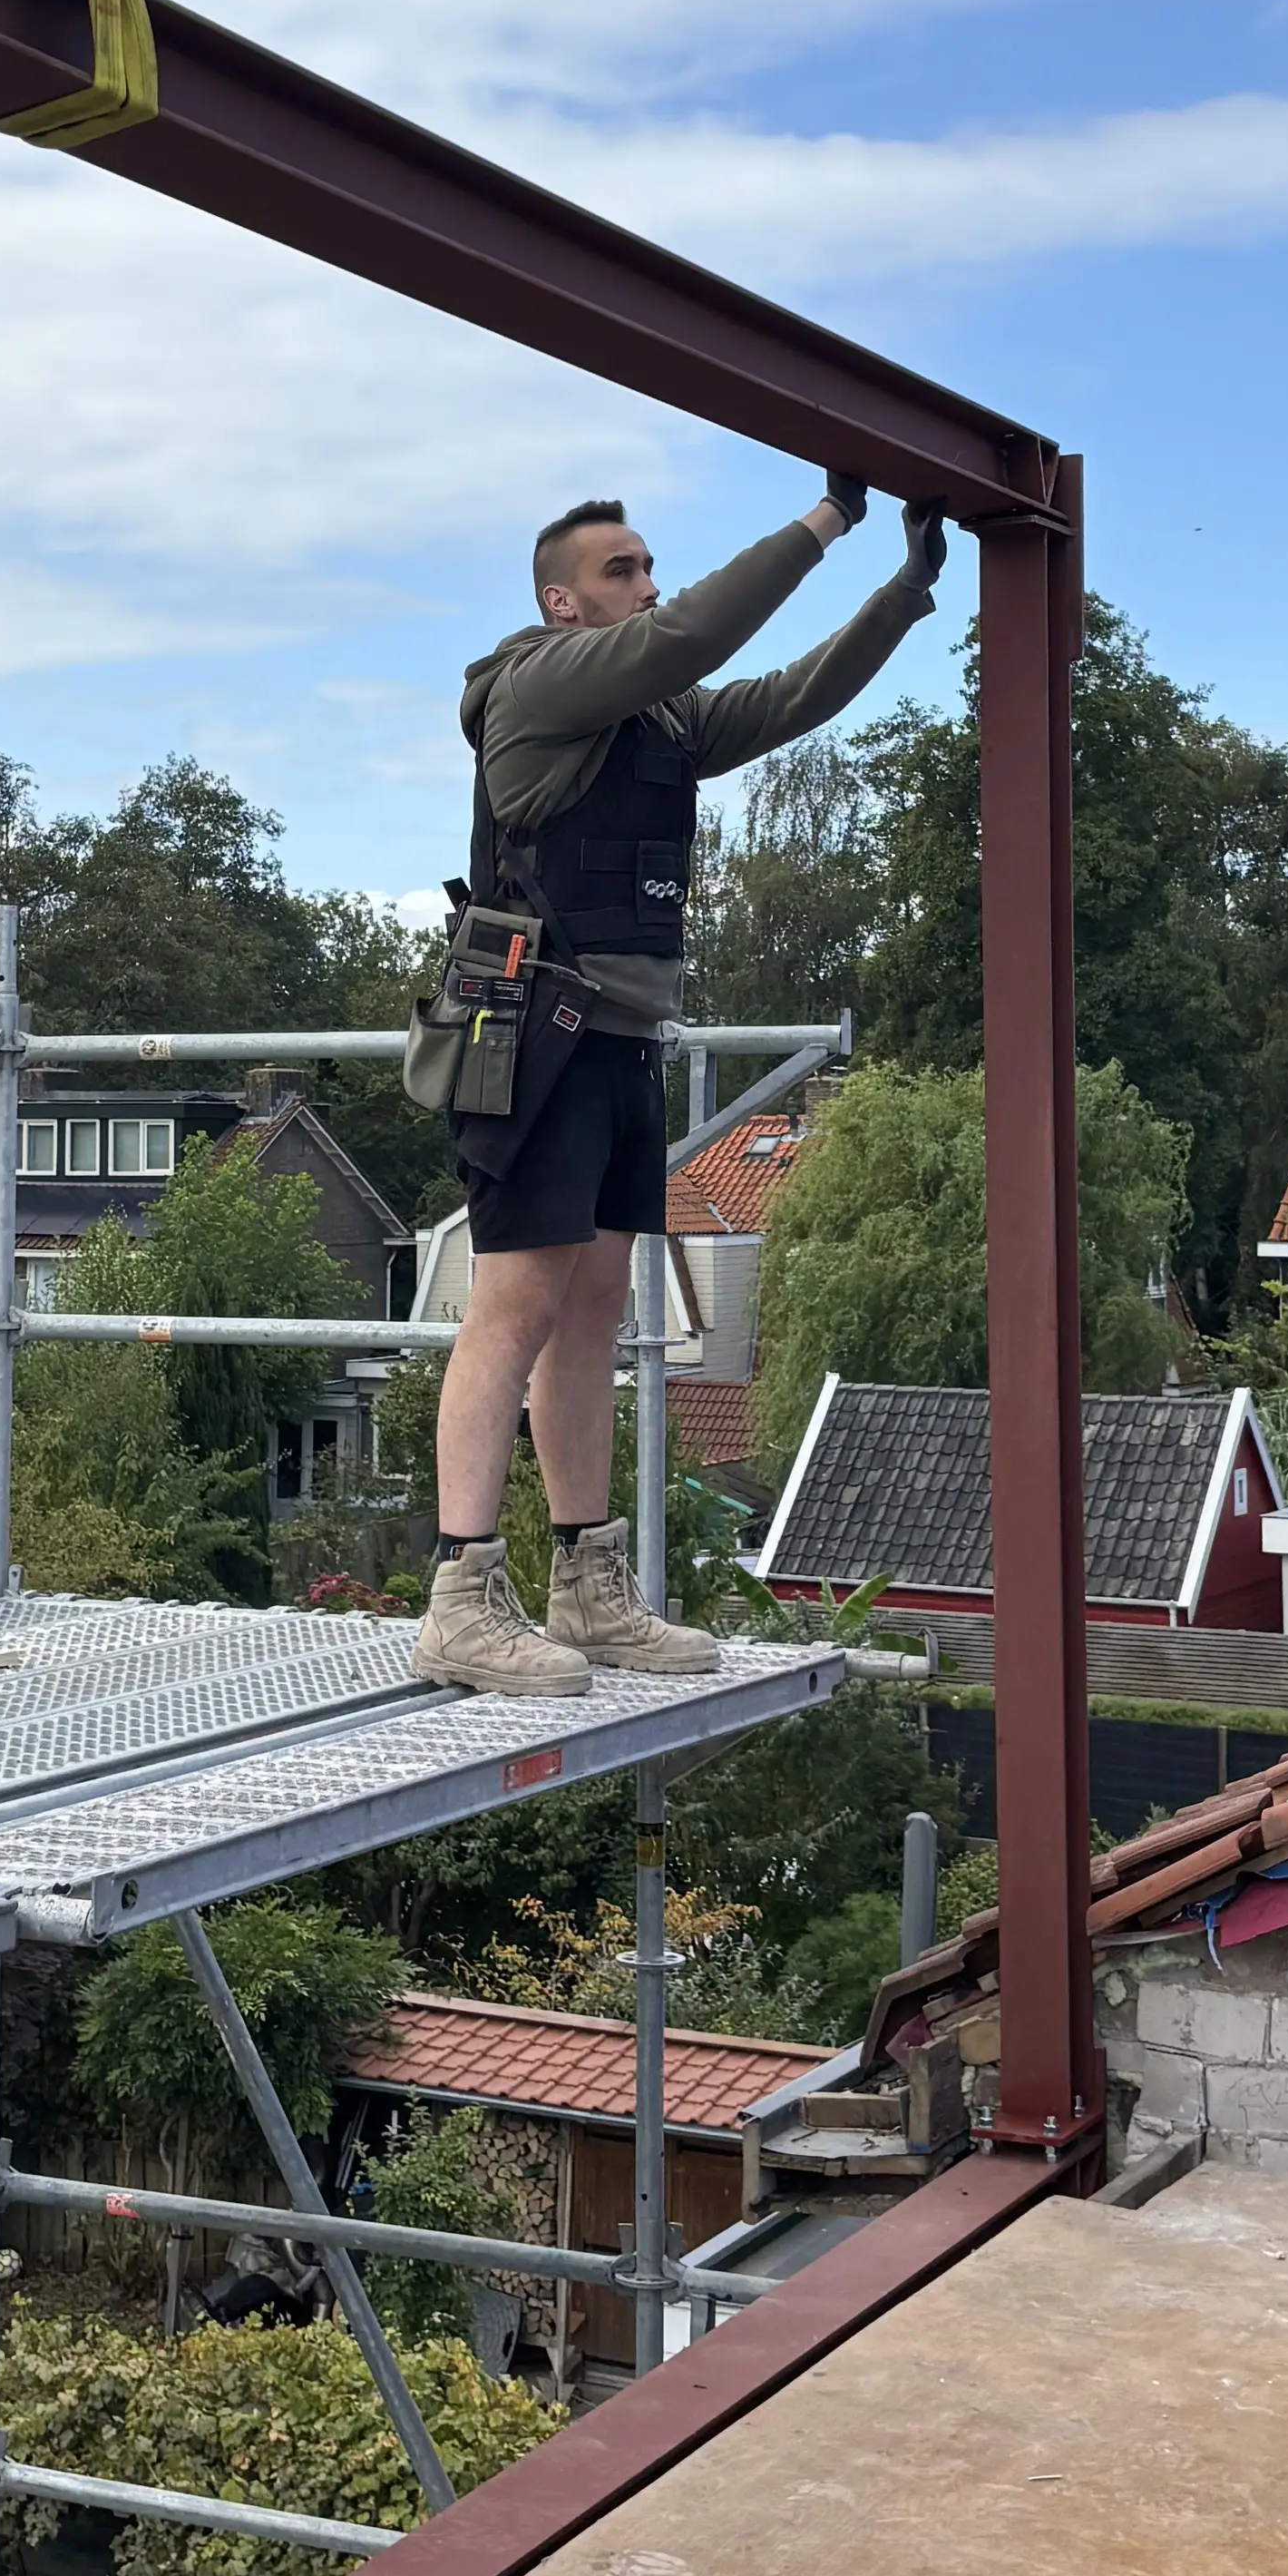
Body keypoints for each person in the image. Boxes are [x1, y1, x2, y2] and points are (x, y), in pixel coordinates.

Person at [418, 476, 947, 1695]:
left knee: (597, 1307)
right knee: (517, 1306)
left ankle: (587, 1587)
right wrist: (828, 522)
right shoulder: (539, 685)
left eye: (653, 566)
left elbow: (789, 696)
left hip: (619, 1042)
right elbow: (701, 633)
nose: (648, 588)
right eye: (624, 571)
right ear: (562, 603)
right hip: (534, 1039)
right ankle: (459, 1595)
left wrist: (905, 595)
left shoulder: (657, 724)